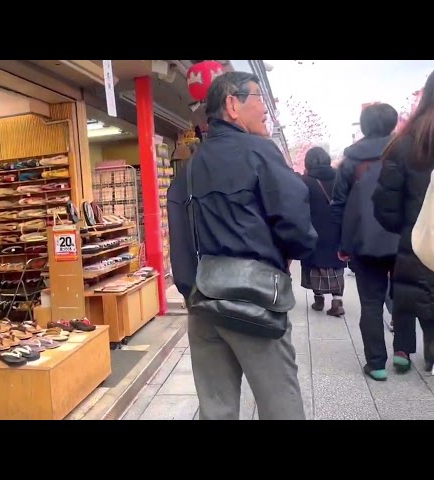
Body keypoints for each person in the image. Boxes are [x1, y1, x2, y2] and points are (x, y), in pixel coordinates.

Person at [167, 71, 317, 420]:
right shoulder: (260, 152)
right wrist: (293, 255)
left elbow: (180, 243)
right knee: (279, 401)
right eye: (258, 98)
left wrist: (192, 292)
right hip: (256, 299)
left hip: (203, 304)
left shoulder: (188, 170)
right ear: (232, 105)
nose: (266, 109)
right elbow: (294, 219)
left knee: (215, 407)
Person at [330, 103, 402, 381]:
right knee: (407, 297)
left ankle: (376, 363)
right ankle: (406, 353)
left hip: (363, 242)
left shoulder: (350, 162)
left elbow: (338, 205)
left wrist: (342, 244)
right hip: (404, 241)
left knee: (370, 303)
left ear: (363, 126)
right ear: (394, 123)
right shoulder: (407, 153)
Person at [372, 71, 434, 373]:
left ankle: (403, 350)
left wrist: (409, 229)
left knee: (410, 292)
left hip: (416, 240)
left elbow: (385, 205)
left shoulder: (405, 143)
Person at [300, 146, 346, 315]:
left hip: (314, 229)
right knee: (336, 265)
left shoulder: (306, 181)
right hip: (336, 228)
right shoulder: (340, 178)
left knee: (315, 265)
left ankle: (318, 298)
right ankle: (337, 301)